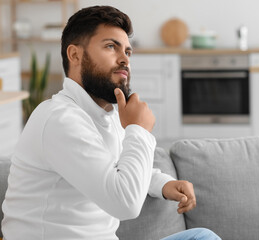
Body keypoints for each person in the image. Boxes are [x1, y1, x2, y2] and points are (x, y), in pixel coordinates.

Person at [1, 5, 221, 240]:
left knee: (201, 237)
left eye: (128, 52)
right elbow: (125, 204)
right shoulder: (58, 118)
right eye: (110, 47)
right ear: (75, 55)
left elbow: (115, 167)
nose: (124, 59)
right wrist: (138, 129)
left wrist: (163, 184)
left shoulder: (107, 115)